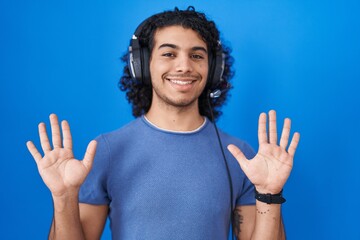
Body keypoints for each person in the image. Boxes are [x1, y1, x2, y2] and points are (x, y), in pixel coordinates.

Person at [26, 6, 300, 240]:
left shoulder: (240, 157)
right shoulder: (106, 151)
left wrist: (269, 194)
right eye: (169, 54)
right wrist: (63, 197)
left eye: (197, 55)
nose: (184, 66)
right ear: (142, 65)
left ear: (213, 69)